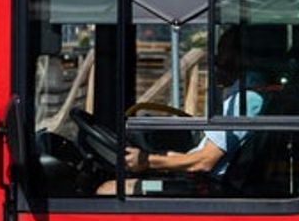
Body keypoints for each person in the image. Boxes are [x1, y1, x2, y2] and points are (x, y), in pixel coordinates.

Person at [97, 26, 263, 195]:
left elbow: (204, 161)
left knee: (107, 189)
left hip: (204, 188)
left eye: (222, 52)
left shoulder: (246, 99)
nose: (216, 60)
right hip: (202, 181)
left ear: (239, 56)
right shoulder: (248, 93)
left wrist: (147, 161)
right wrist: (161, 158)